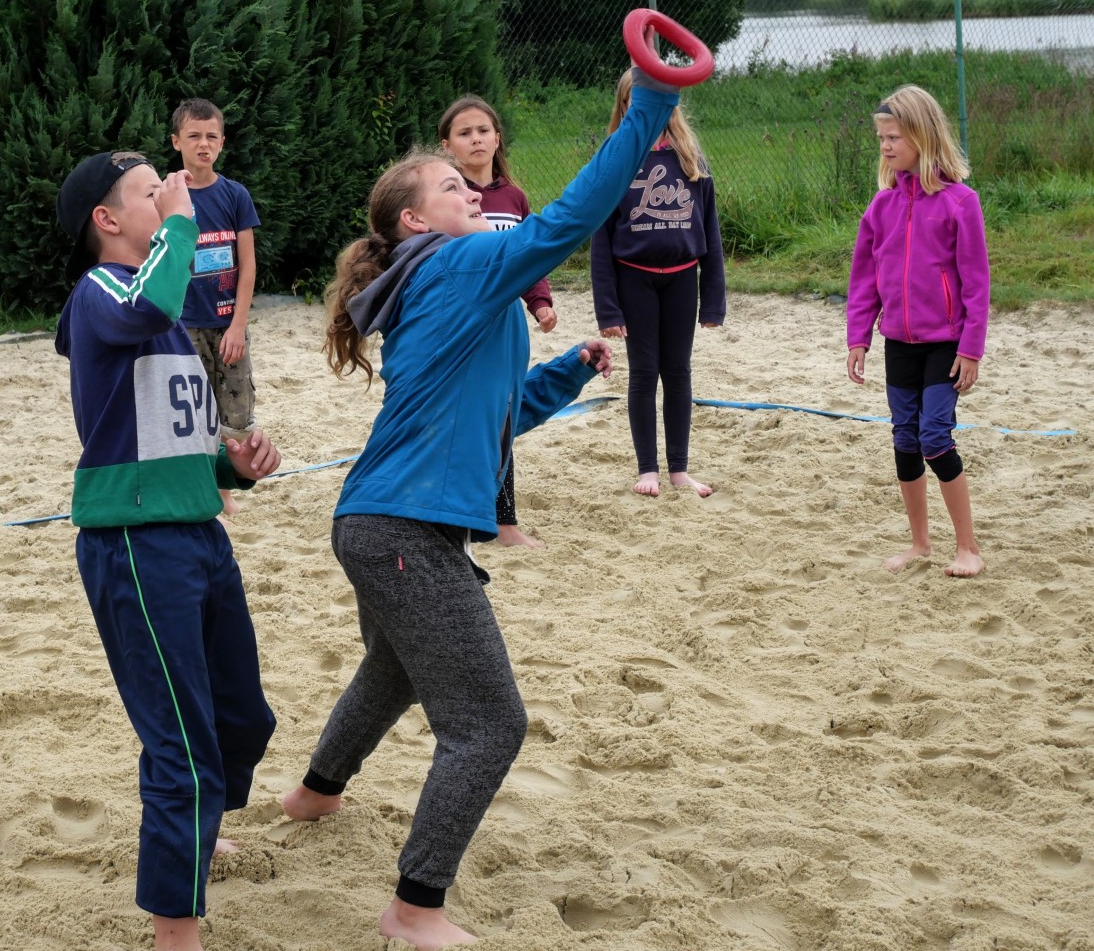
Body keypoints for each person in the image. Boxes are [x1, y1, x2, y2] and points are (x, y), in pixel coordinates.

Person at [282, 66, 688, 951]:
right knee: (489, 725)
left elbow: (495, 417)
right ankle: (413, 907)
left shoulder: (458, 287)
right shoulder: (456, 264)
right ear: (416, 222)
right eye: (449, 186)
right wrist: (649, 108)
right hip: (401, 529)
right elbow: (570, 220)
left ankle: (314, 794)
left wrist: (562, 376)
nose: (471, 190)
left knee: (394, 672)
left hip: (380, 522)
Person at [53, 150, 282, 951]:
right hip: (136, 544)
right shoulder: (103, 293)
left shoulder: (162, 310)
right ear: (108, 220)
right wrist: (182, 223)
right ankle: (175, 932)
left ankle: (200, 831)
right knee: (181, 746)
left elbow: (168, 436)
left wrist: (232, 465)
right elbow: (146, 305)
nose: (174, 195)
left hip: (197, 532)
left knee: (242, 719)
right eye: (154, 191)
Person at [846, 85, 990, 578]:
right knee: (904, 438)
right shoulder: (881, 205)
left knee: (934, 436)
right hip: (898, 343)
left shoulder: (960, 202)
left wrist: (971, 349)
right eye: (881, 138)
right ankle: (920, 544)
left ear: (923, 137)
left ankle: (968, 548)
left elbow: (977, 283)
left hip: (946, 345)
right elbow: (864, 278)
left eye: (894, 137)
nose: (885, 146)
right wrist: (858, 337)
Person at [590, 70, 726, 498]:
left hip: (683, 279)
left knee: (679, 372)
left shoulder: (690, 158)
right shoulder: (616, 159)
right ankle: (647, 468)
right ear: (624, 106)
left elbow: (711, 233)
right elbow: (600, 241)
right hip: (635, 281)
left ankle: (679, 470)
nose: (645, 105)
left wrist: (714, 301)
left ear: (669, 104)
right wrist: (608, 309)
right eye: (636, 98)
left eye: (655, 97)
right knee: (644, 373)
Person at [439, 94, 556, 547]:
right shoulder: (445, 199)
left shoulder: (514, 198)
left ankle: (504, 524)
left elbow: (529, 257)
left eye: (483, 130)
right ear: (447, 145)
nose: (476, 139)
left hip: (505, 330)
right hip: (461, 326)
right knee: (458, 419)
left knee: (504, 419)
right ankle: (450, 517)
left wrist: (540, 302)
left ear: (497, 138)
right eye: (464, 132)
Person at [171, 98, 262, 517]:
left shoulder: (235, 195)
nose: (203, 144)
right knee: (193, 412)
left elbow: (248, 265)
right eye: (194, 136)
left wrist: (238, 325)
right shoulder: (167, 196)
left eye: (211, 136)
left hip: (228, 325)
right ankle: (201, 491)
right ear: (177, 141)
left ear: (222, 142)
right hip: (183, 326)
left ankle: (225, 490)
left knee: (235, 413)